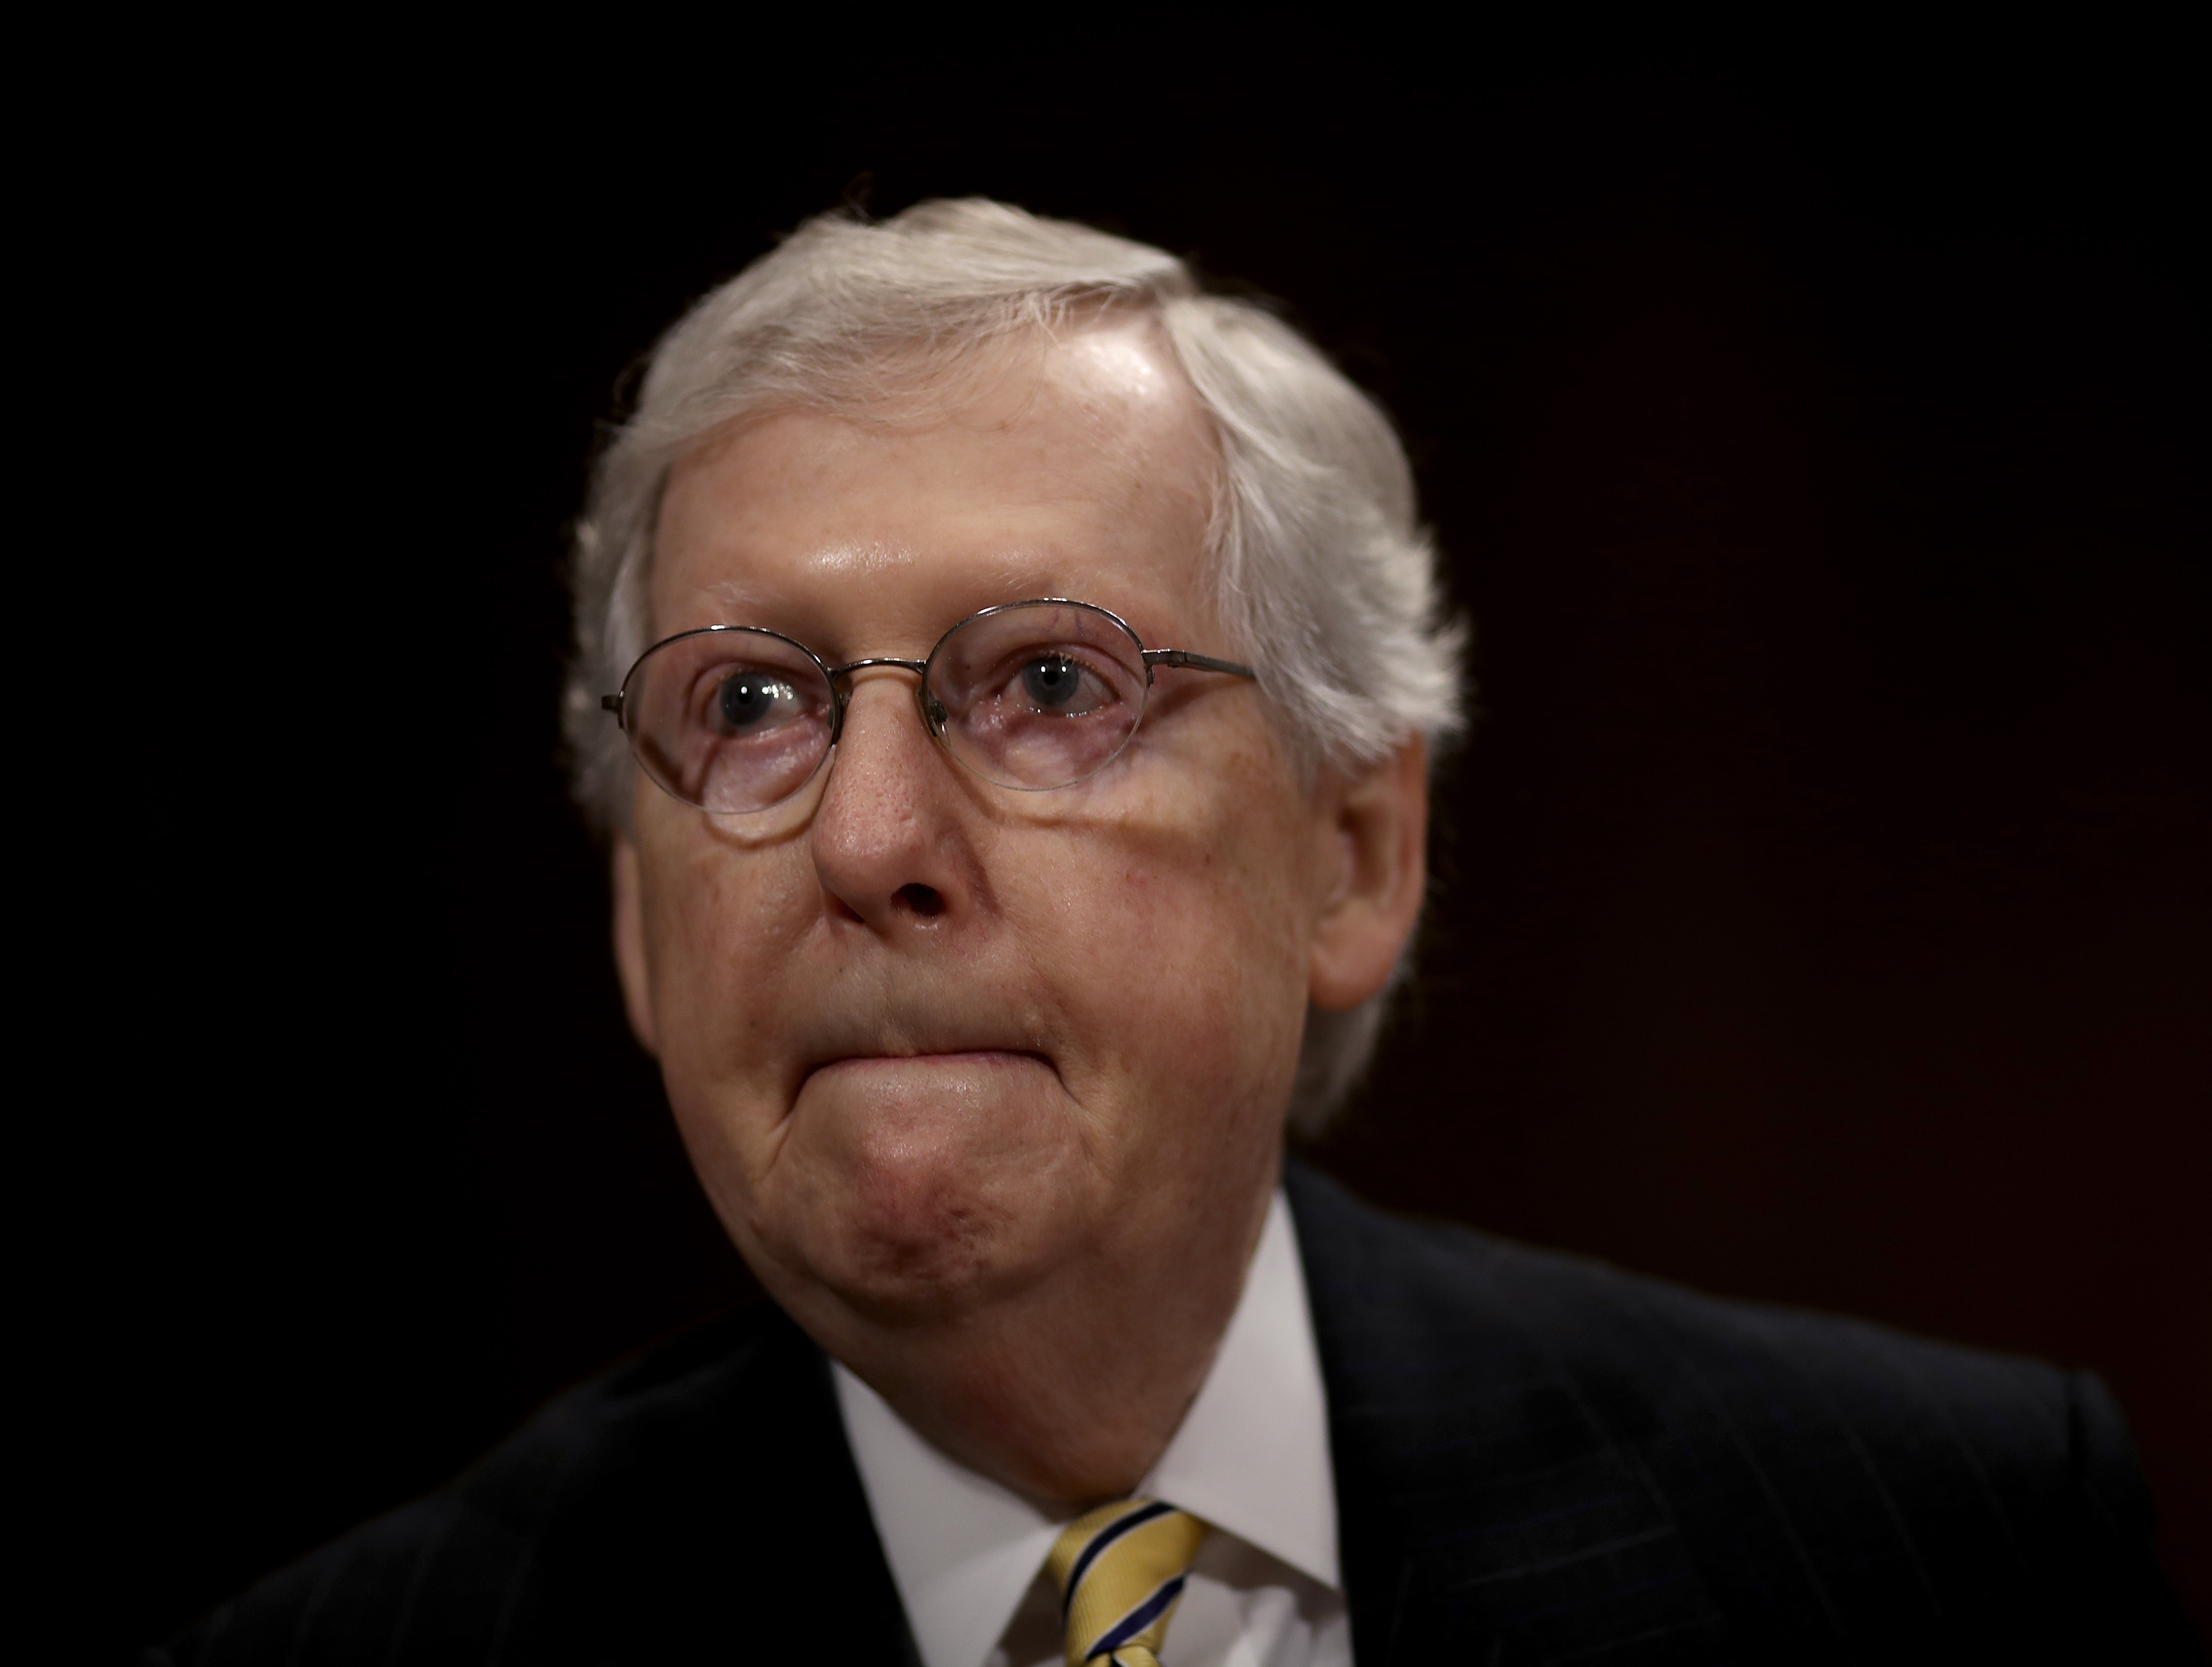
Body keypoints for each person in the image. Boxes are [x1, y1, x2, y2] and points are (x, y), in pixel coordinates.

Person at [150, 200, 2196, 1665]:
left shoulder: (1942, 1557)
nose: (871, 839)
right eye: (751, 706)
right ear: (633, 918)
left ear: (1353, 854)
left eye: (1050, 685)